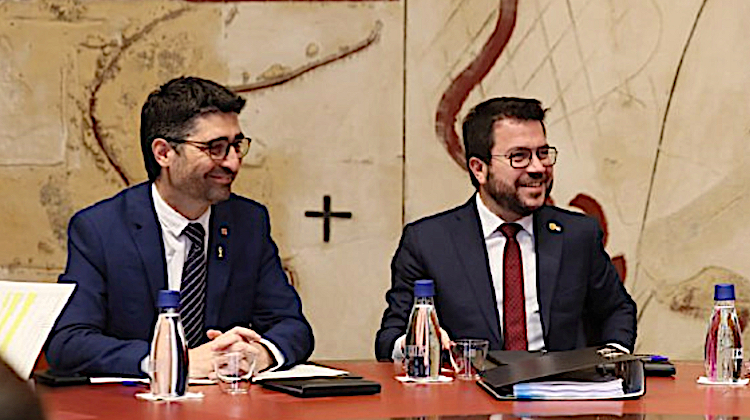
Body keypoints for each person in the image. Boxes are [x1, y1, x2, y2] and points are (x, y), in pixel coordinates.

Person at [46, 76, 314, 378]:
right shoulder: (100, 229)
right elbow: (69, 342)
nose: (233, 163)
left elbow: (292, 327)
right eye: (215, 148)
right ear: (163, 153)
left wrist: (259, 353)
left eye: (236, 146)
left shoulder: (248, 222)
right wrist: (168, 361)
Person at [375, 97, 636, 360]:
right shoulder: (428, 243)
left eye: (542, 153)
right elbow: (390, 338)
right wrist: (417, 341)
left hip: (560, 383)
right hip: (469, 384)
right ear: (479, 169)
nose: (538, 168)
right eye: (519, 156)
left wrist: (612, 359)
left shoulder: (577, 234)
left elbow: (617, 310)